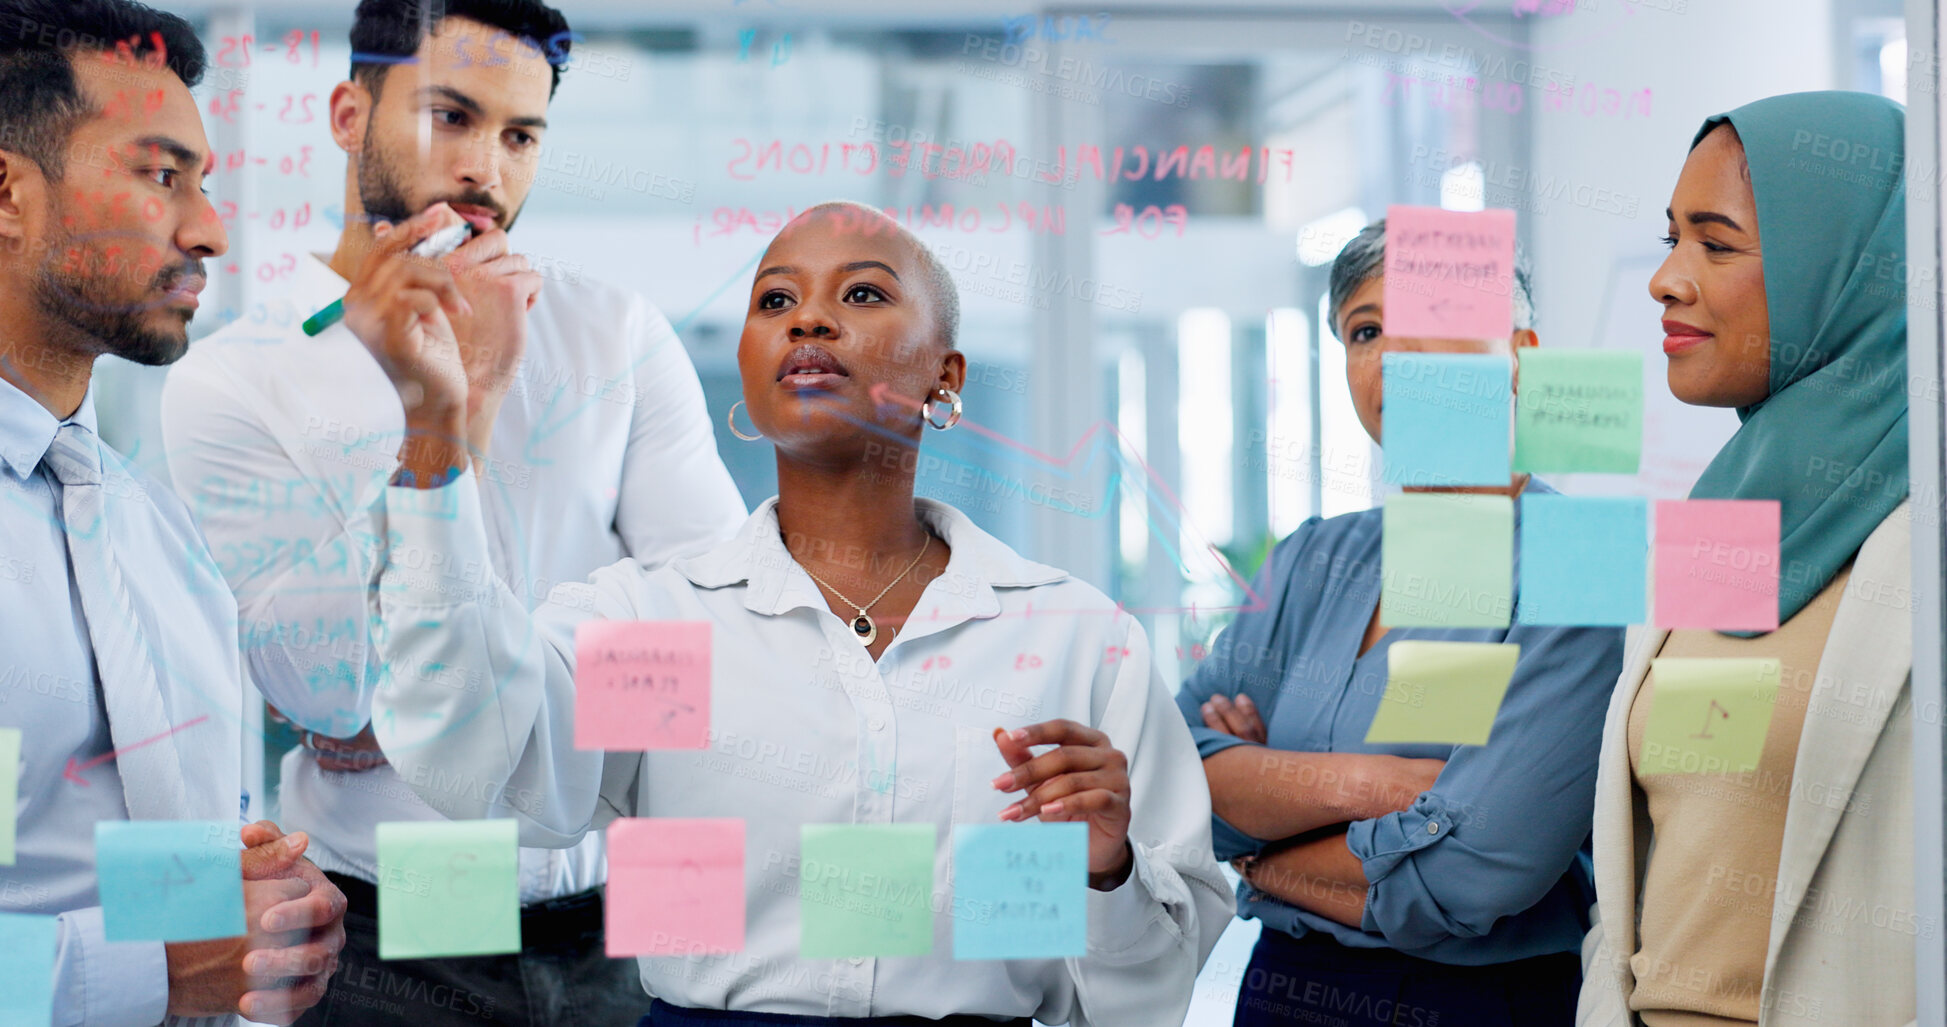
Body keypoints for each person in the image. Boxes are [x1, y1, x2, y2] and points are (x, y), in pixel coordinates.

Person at [349, 199, 1231, 1025]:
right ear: (746, 369)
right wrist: (436, 434)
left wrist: (1109, 873)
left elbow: (1143, 1000)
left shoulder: (1070, 643)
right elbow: (475, 757)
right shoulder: (663, 631)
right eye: (776, 300)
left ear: (943, 375)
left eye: (862, 293)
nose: (808, 319)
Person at [158, 1, 747, 1022]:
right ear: (349, 115)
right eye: (451, 117)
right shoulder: (230, 383)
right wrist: (450, 424)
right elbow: (332, 695)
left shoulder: (615, 333)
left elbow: (721, 642)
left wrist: (459, 696)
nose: (487, 167)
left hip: (620, 921)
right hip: (387, 941)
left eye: (520, 135)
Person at [1178, 219, 1624, 1026]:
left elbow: (1480, 869)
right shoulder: (1313, 556)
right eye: (1365, 329)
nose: (1393, 354)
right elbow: (1175, 780)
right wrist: (1385, 785)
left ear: (1519, 352)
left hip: (1474, 1003)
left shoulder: (1581, 560)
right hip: (1278, 988)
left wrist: (1259, 845)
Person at [0, 1, 346, 1023]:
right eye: (161, 176)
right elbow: (155, 956)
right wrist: (151, 968)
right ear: (7, 196)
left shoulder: (154, 532)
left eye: (204, 183)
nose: (210, 229)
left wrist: (265, 912)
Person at [1577, 91, 1914, 1027]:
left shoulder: (1919, 541)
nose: (1666, 280)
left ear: (1846, 274)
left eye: (1714, 244)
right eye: (1669, 239)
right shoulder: (1720, 517)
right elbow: (1666, 830)